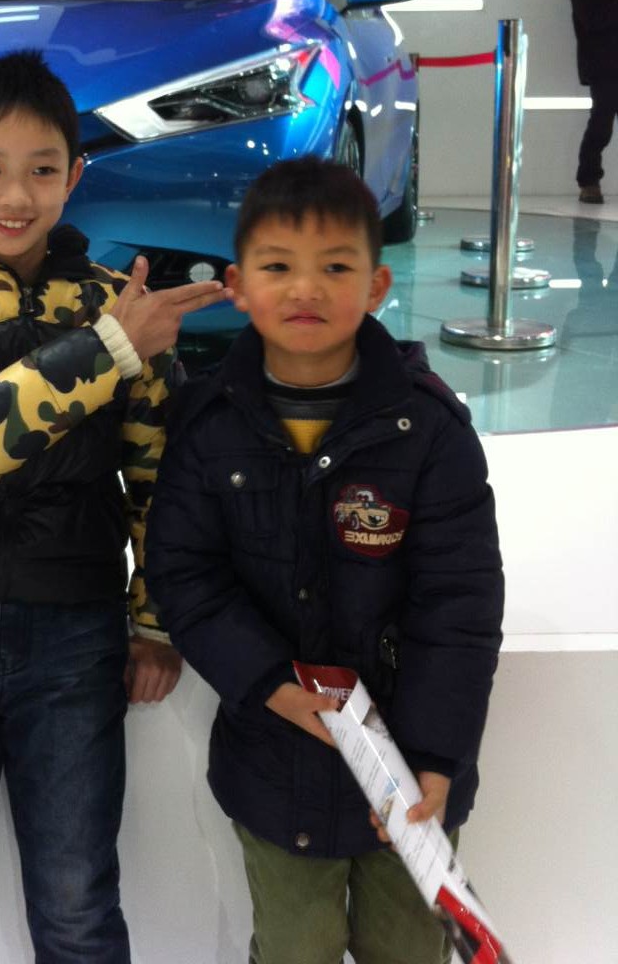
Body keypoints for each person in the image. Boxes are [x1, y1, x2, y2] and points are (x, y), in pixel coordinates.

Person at [0, 48, 229, 964]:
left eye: (42, 168)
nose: (15, 195)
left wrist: (155, 620)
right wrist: (111, 347)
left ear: (75, 174)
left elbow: (158, 473)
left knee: (78, 910)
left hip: (74, 626)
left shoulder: (116, 301)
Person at [145, 156, 504, 964]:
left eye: (335, 268)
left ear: (376, 286)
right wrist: (270, 683)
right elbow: (185, 575)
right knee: (295, 946)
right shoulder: (206, 424)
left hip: (409, 769)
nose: (305, 288)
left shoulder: (429, 429)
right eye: (278, 267)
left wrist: (436, 758)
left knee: (407, 948)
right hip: (275, 760)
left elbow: (461, 604)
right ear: (238, 285)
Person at [571, 0, 618, 203]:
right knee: (601, 126)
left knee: (601, 124)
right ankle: (589, 181)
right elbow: (592, 21)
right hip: (603, 67)